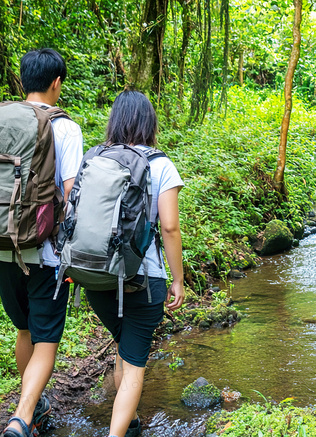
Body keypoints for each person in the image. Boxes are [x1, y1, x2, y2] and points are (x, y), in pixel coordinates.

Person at [0, 48, 84, 437]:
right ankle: (22, 417)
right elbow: (72, 194)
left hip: (0, 244)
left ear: (23, 80)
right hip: (45, 252)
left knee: (24, 330)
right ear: (56, 82)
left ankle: (33, 403)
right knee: (46, 337)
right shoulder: (65, 128)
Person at [85, 90, 185, 437]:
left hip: (96, 275)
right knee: (135, 365)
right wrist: (178, 279)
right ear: (149, 122)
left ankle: (130, 421)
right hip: (144, 279)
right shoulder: (160, 165)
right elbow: (169, 227)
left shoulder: (94, 158)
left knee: (124, 350)